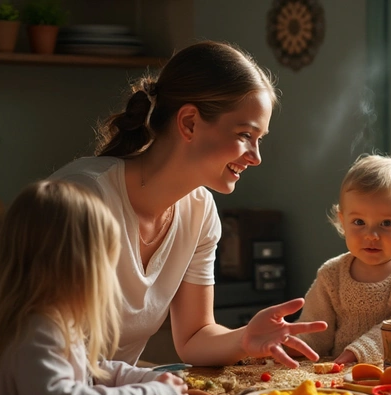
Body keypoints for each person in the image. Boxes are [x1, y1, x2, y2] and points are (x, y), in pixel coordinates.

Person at [50, 40, 326, 368]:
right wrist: (146, 385)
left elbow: (195, 337)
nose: (256, 157)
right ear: (190, 123)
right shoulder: (83, 199)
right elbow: (51, 358)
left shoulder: (200, 212)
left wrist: (245, 339)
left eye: (259, 139)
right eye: (244, 135)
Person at [0, 181, 189, 395]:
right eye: (106, 264)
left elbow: (89, 371)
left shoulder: (49, 321)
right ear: (76, 268)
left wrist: (147, 378)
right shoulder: (37, 330)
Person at [293, 154, 391, 365]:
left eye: (386, 223)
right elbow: (315, 331)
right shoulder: (332, 275)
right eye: (359, 221)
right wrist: (292, 344)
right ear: (343, 222)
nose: (371, 235)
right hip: (343, 379)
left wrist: (359, 351)